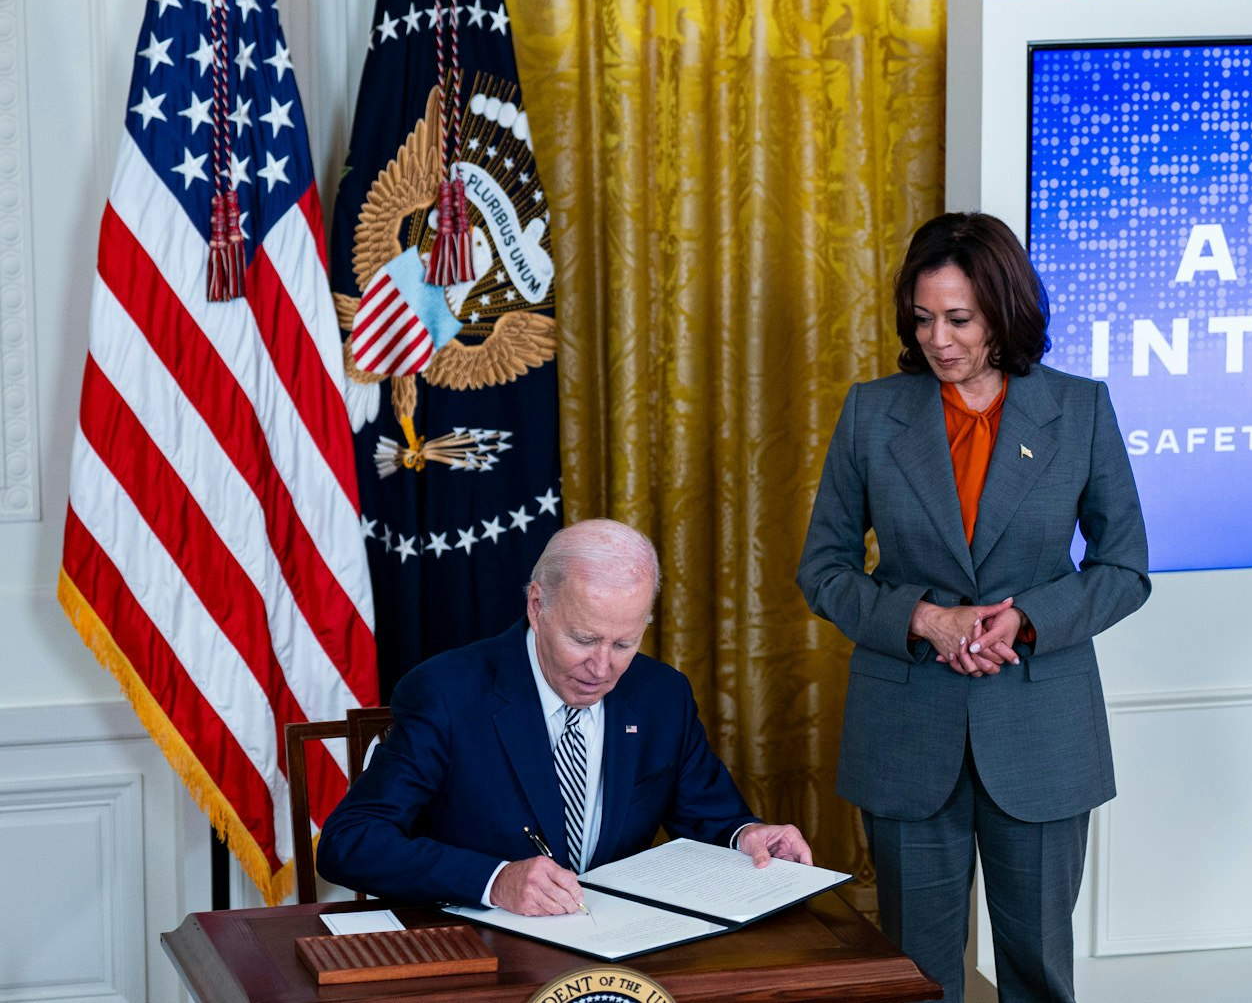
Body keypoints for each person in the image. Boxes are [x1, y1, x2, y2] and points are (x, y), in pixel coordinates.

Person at [796, 212, 1149, 1002]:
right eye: (923, 319)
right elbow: (822, 568)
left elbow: (1125, 569)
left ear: (1005, 312)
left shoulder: (1081, 411)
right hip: (908, 733)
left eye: (959, 319)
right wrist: (926, 619)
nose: (938, 339)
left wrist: (1024, 618)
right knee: (916, 981)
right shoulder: (871, 412)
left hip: (1041, 734)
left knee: (1036, 975)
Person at [319, 519, 812, 916]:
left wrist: (747, 836)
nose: (602, 668)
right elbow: (351, 842)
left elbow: (712, 815)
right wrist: (494, 881)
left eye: (623, 644)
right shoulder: (447, 692)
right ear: (537, 606)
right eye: (582, 639)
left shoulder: (662, 695)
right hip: (480, 948)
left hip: (619, 946)